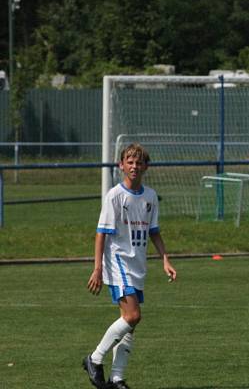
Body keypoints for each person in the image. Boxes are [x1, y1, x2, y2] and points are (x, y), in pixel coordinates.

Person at [83, 143, 177, 389]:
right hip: (118, 262)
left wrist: (165, 259)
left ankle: (117, 378)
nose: (134, 166)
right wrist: (97, 268)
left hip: (137, 264)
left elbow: (154, 231)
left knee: (129, 323)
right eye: (130, 162)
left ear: (145, 166)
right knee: (133, 315)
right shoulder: (115, 195)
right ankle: (94, 359)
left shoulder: (150, 196)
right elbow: (101, 233)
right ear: (121, 165)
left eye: (139, 162)